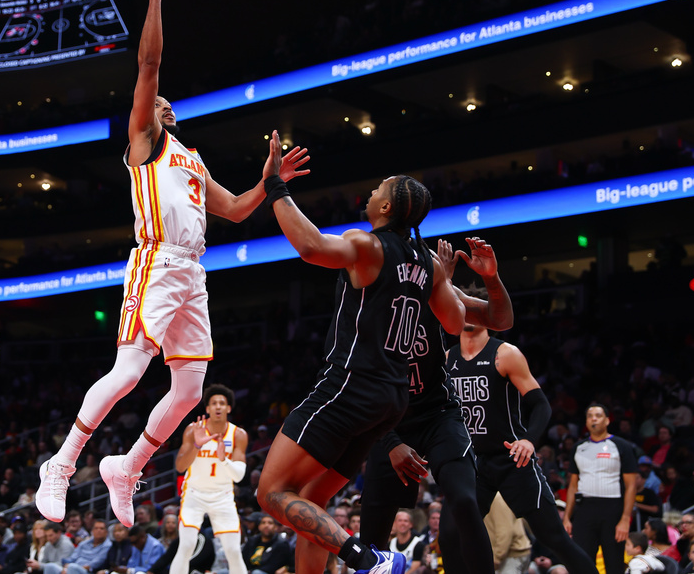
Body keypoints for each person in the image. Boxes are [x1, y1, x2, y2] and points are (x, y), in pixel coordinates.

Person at [36, 0, 310, 528]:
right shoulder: (145, 141)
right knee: (130, 371)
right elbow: (150, 63)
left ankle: (127, 466)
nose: (157, 99)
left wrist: (270, 181)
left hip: (193, 269)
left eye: (163, 101)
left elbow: (235, 210)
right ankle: (60, 464)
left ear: (174, 114)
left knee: (190, 390)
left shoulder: (190, 157)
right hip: (156, 262)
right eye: (149, 98)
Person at [255, 161, 466, 574]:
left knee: (271, 494)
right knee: (312, 501)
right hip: (392, 398)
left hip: (349, 385)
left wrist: (274, 187)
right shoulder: (429, 264)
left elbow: (311, 247)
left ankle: (368, 559)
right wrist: (441, 282)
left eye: (377, 190)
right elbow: (456, 323)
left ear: (386, 208)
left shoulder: (368, 245)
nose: (370, 194)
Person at [361, 237, 513, 574]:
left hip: (437, 414)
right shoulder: (365, 299)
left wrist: (490, 277)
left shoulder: (434, 289)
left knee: (464, 500)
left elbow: (499, 320)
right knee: (373, 533)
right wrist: (391, 442)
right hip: (388, 421)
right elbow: (361, 384)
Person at [445, 290, 598, 574]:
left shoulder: (505, 353)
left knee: (553, 537)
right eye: (463, 306)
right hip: (471, 462)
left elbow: (541, 405)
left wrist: (528, 439)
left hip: (512, 459)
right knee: (451, 536)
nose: (468, 312)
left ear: (487, 314)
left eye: (474, 307)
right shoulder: (446, 359)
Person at [170, 384, 249, 574]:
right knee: (187, 545)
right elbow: (180, 467)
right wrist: (196, 445)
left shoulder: (238, 434)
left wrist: (223, 459)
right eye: (214, 403)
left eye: (222, 403)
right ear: (207, 408)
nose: (218, 407)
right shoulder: (193, 430)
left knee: (233, 550)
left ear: (229, 408)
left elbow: (238, 476)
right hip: (195, 494)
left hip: (222, 496)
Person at [562, 404, 639, 574]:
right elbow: (573, 485)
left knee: (614, 564)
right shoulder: (578, 447)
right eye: (590, 416)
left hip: (613, 510)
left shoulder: (621, 446)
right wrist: (567, 517)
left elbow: (631, 485)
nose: (593, 419)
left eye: (598, 415)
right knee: (582, 563)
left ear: (607, 420)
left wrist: (625, 519)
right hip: (584, 510)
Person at [41, 519, 110, 574]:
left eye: (101, 528)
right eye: (96, 528)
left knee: (72, 567)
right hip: (73, 568)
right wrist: (66, 567)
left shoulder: (107, 545)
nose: (98, 530)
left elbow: (96, 563)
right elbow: (73, 557)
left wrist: (71, 568)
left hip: (88, 571)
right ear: (92, 530)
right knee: (50, 566)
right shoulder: (84, 543)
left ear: (106, 531)